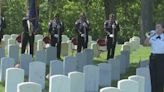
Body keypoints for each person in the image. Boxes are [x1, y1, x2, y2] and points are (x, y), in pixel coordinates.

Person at [144, 21, 164, 92]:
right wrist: (149, 36)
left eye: (158, 27)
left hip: (161, 58)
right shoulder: (153, 37)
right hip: (153, 58)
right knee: (153, 78)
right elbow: (146, 43)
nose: (157, 29)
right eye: (156, 27)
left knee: (160, 78)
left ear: (162, 29)